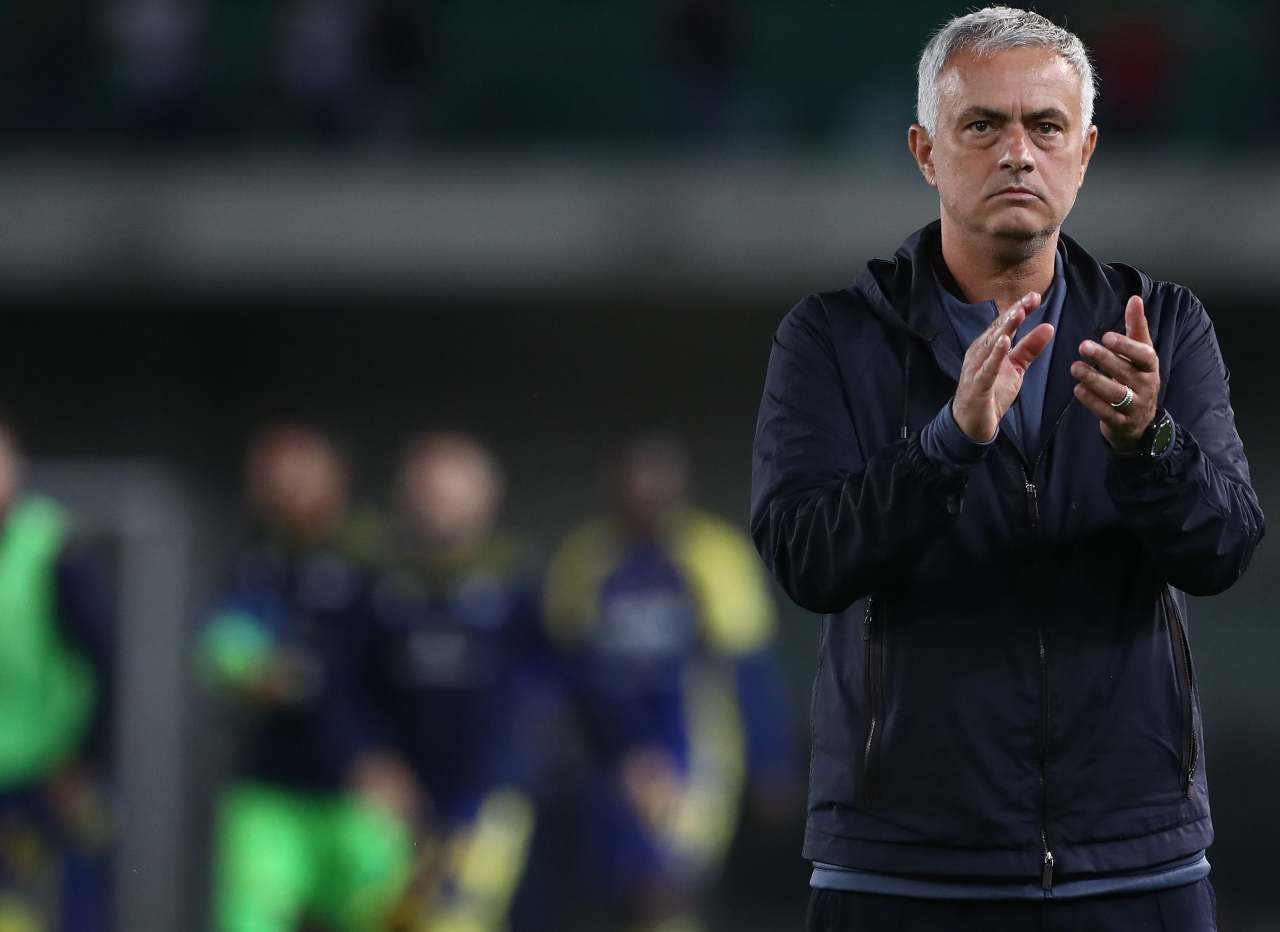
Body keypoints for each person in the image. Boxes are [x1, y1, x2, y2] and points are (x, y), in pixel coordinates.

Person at [749, 8, 1264, 931]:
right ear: (925, 151)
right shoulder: (831, 338)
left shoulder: (1163, 326)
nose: (1017, 153)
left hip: (1133, 865)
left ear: (1085, 151)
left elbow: (1223, 548)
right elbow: (804, 560)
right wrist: (946, 444)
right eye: (982, 125)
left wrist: (1149, 442)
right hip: (900, 872)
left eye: (1046, 126)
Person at [545, 437, 795, 932]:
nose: (648, 498)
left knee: (666, 886)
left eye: (660, 485)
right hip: (606, 751)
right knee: (617, 891)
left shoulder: (714, 554)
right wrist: (622, 751)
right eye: (634, 485)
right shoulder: (584, 557)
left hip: (695, 749)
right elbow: (567, 668)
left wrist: (771, 763)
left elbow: (748, 668)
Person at [200, 424, 410, 932]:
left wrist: (379, 757)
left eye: (295, 477)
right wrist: (249, 668)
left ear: (333, 478)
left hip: (361, 788)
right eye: (269, 480)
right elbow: (224, 644)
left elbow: (392, 675)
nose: (281, 492)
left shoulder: (376, 561)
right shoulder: (253, 561)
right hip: (269, 787)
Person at [340, 433, 544, 932]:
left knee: (454, 919)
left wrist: (474, 804)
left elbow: (531, 698)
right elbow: (346, 686)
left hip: (484, 795)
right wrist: (368, 758)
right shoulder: (375, 585)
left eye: (449, 496)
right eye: (425, 494)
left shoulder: (517, 584)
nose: (435, 508)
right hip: (392, 795)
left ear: (485, 500)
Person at [0, 419, 114, 932]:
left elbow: (103, 659)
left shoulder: (53, 546)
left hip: (51, 772)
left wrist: (85, 758)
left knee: (68, 908)